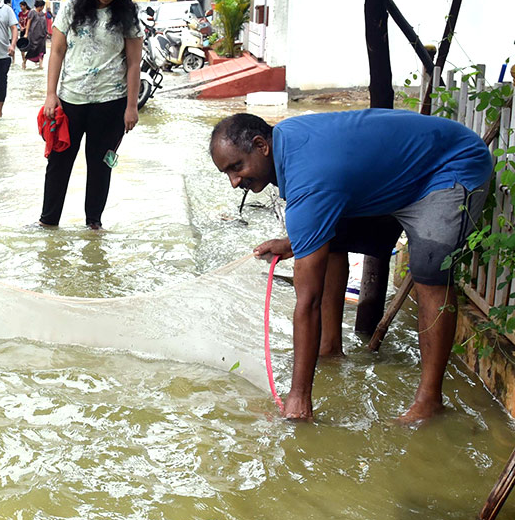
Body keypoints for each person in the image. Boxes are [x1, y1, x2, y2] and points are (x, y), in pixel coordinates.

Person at [209, 109, 494, 424]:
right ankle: (329, 349)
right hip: (398, 177)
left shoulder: (309, 178)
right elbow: (328, 195)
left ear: (261, 145)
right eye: (227, 174)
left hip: (451, 165)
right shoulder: (287, 141)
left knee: (429, 270)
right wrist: (296, 242)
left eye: (237, 167)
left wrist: (298, 397)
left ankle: (430, 402)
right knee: (329, 240)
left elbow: (309, 302)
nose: (235, 182)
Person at [39, 0, 143, 231]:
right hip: (70, 100)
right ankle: (48, 223)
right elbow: (57, 51)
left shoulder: (128, 15)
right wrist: (51, 94)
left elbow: (134, 62)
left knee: (100, 167)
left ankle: (93, 225)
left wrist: (132, 106)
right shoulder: (72, 7)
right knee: (58, 164)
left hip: (112, 103)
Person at [24, 0, 48, 69]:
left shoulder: (42, 14)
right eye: (43, 6)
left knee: (42, 50)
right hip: (33, 35)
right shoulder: (32, 12)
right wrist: (26, 33)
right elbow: (28, 22)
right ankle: (24, 62)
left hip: (42, 35)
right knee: (32, 49)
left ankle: (41, 65)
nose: (43, 8)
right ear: (40, 6)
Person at [16, 1, 31, 69]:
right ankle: (24, 62)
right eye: (20, 6)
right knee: (22, 47)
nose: (21, 8)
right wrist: (21, 26)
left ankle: (27, 60)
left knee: (29, 46)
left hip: (28, 32)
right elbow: (19, 22)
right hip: (22, 31)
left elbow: (30, 22)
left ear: (25, 6)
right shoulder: (20, 13)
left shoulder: (29, 13)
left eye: (22, 6)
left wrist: (26, 28)